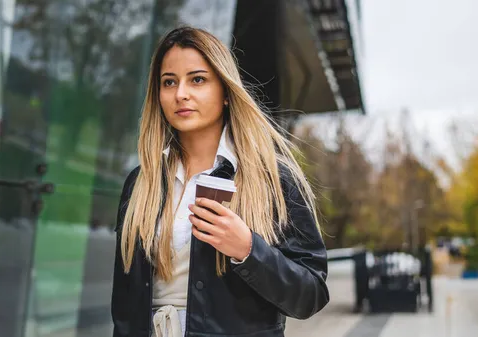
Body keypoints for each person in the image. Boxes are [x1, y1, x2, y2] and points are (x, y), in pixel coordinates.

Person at [111, 26, 329, 337]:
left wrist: (249, 250)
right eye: (169, 82)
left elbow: (311, 295)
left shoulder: (272, 179)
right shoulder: (140, 183)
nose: (181, 93)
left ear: (225, 92)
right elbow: (123, 306)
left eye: (197, 79)